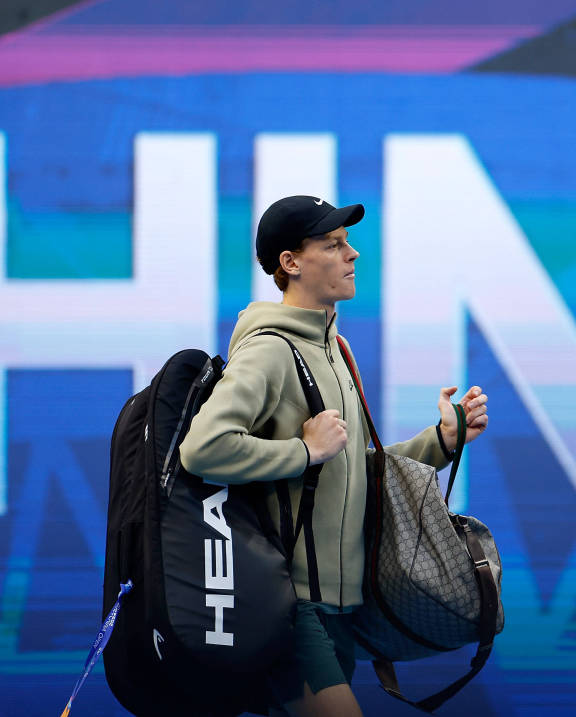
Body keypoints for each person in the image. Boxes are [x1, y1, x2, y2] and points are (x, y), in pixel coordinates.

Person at [179, 195, 489, 717]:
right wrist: (304, 450)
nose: (352, 254)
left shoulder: (337, 350)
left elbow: (352, 471)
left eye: (346, 242)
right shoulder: (269, 350)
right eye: (332, 244)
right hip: (290, 606)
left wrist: (442, 440)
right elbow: (203, 448)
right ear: (290, 262)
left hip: (341, 611)